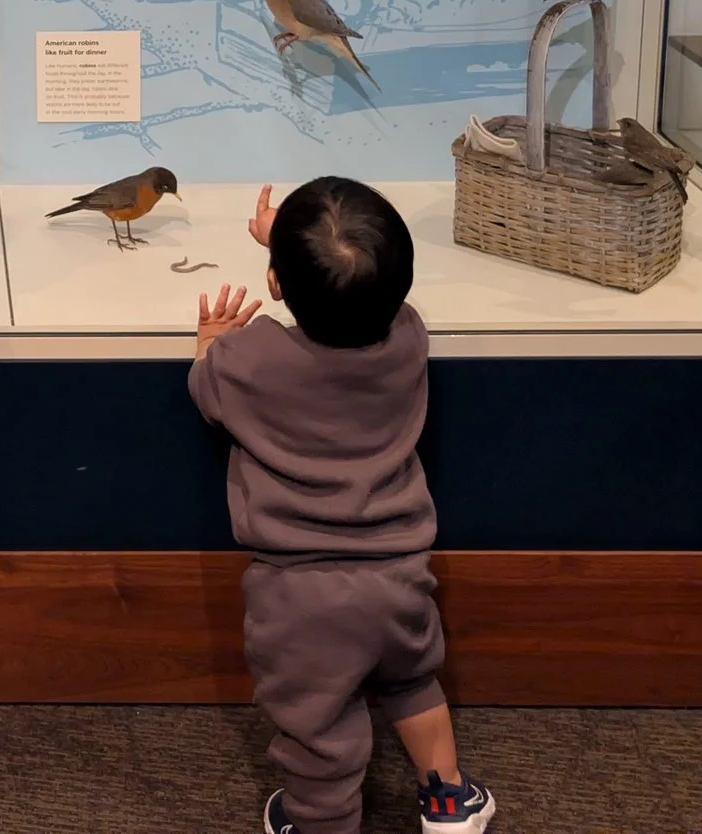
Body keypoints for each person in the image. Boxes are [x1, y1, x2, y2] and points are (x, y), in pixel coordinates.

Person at [190, 177, 496, 834]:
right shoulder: (408, 341)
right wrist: (300, 249)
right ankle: (449, 804)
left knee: (317, 728)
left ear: (275, 282)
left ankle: (322, 823)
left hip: (300, 597)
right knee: (414, 684)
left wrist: (212, 337)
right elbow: (363, 289)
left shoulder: (248, 359)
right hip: (400, 576)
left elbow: (207, 387)